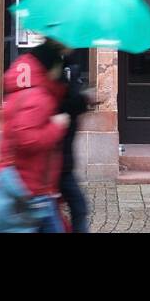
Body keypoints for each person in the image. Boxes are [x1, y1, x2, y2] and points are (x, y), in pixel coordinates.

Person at [0, 39, 70, 232]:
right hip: (32, 185)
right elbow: (27, 140)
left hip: (30, 183)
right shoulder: (39, 97)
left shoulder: (20, 91)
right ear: (51, 69)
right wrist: (57, 126)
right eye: (59, 67)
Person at [57, 49, 95, 233]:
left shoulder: (68, 61)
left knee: (77, 209)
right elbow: (62, 103)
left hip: (61, 159)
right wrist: (84, 100)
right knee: (78, 209)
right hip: (55, 160)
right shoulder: (52, 63)